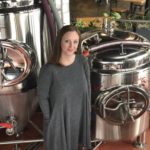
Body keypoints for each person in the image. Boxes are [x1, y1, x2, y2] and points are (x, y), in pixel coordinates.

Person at [37, 25, 92, 150]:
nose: (71, 46)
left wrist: (87, 110)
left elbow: (88, 86)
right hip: (58, 119)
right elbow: (42, 96)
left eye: (75, 42)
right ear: (60, 42)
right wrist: (49, 118)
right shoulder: (48, 69)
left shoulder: (82, 61)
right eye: (67, 41)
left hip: (79, 114)